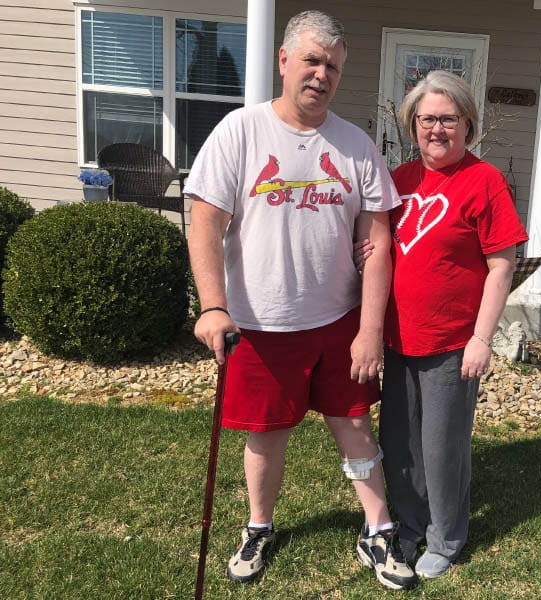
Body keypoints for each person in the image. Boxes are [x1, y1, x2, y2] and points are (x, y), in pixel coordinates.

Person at [184, 10, 417, 591]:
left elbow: (377, 241)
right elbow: (205, 223)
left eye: (333, 66)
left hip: (337, 319)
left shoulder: (357, 145)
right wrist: (214, 306)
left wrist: (368, 330)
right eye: (311, 60)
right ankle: (258, 526)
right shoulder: (240, 131)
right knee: (265, 433)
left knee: (356, 425)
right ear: (283, 61)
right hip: (261, 324)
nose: (322, 74)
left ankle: (378, 529)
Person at [365, 70, 529, 578]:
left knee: (442, 446)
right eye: (427, 119)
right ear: (413, 124)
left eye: (449, 119)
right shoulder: (401, 180)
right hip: (398, 338)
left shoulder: (485, 182)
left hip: (453, 341)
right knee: (400, 442)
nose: (437, 129)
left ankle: (446, 536)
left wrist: (482, 339)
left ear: (468, 125)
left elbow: (502, 265)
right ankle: (410, 527)